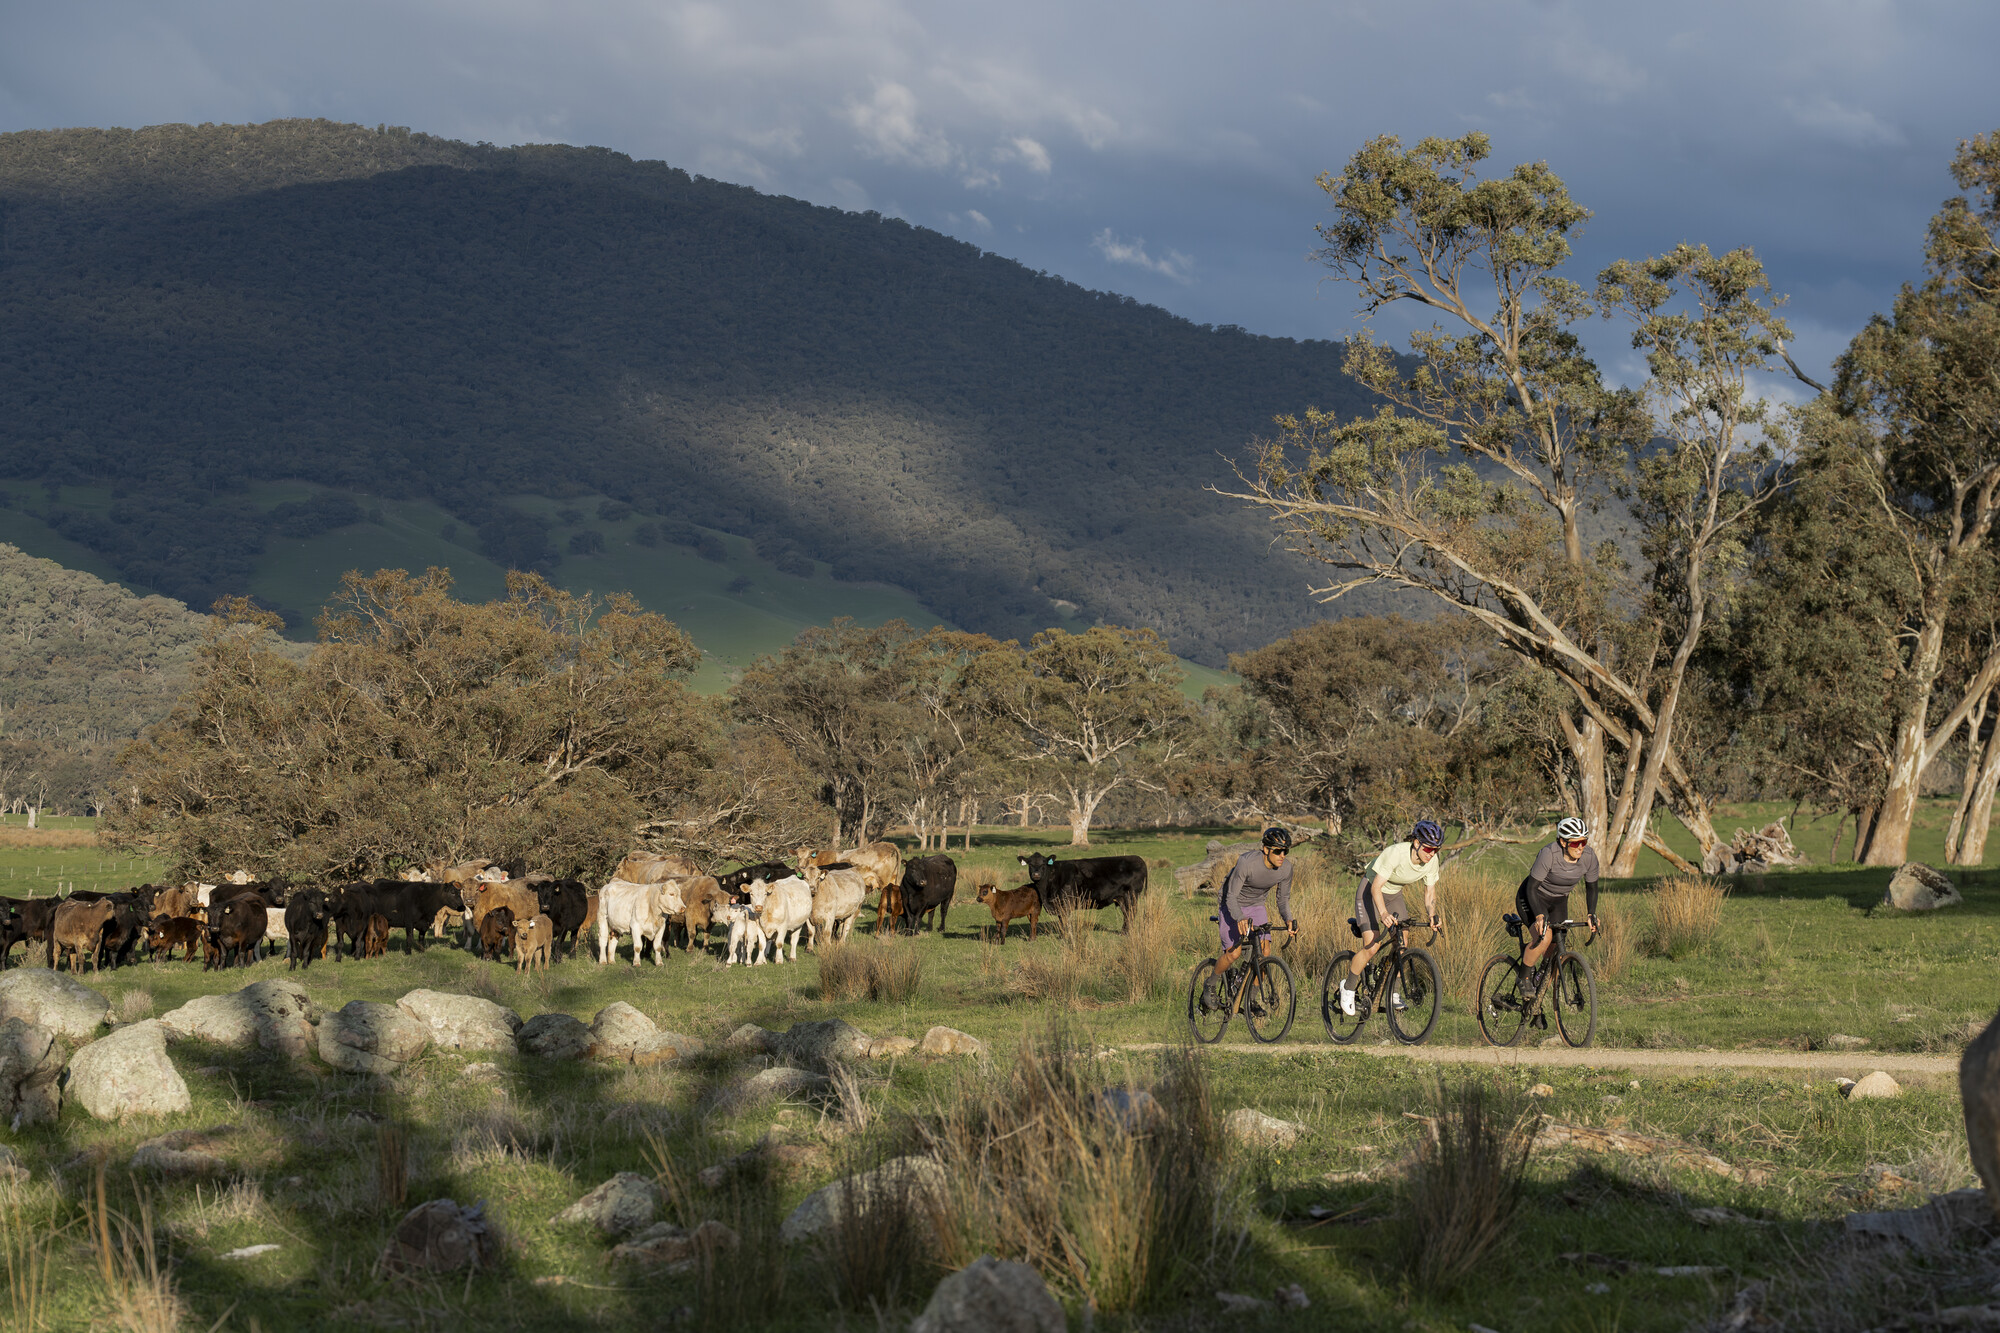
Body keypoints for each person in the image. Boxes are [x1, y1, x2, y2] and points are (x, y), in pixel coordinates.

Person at [1337, 819, 1445, 1016]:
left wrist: (1432, 915)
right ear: (1417, 843)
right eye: (1429, 849)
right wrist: (1384, 914)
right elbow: (1376, 888)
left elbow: (1430, 892)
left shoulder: (1432, 861)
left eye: (1436, 850)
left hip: (1394, 895)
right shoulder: (1396, 853)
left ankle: (1393, 993)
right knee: (1373, 945)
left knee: (1402, 945)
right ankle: (1348, 987)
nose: (1432, 854)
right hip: (1370, 891)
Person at [1202, 827, 1299, 1012]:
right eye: (1278, 850)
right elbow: (1231, 896)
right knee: (1234, 953)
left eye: (1285, 851)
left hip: (1256, 905)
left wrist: (1288, 919)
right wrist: (1239, 917)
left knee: (1264, 952)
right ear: (1266, 849)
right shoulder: (1247, 863)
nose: (1282, 855)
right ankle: (1210, 984)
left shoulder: (1286, 869)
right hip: (1231, 903)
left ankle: (1251, 999)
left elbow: (1282, 899)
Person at [1517, 816, 1600, 997]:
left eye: (1583, 842)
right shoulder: (1549, 854)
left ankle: (1536, 1001)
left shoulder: (1589, 856)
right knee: (1544, 937)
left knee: (1556, 946)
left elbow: (1592, 887)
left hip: (1559, 901)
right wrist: (1539, 915)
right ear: (1563, 842)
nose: (1580, 847)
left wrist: (1591, 913)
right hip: (1533, 897)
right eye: (1575, 843)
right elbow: (1531, 887)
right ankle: (1523, 978)